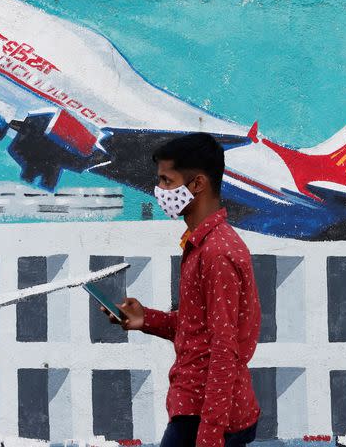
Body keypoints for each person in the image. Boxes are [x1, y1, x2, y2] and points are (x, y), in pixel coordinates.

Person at [101, 133, 262, 447]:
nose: (159, 191)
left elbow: (224, 351)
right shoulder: (200, 245)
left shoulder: (217, 253)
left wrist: (210, 436)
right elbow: (200, 331)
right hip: (195, 409)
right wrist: (144, 319)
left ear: (198, 184)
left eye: (166, 181)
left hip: (205, 417)